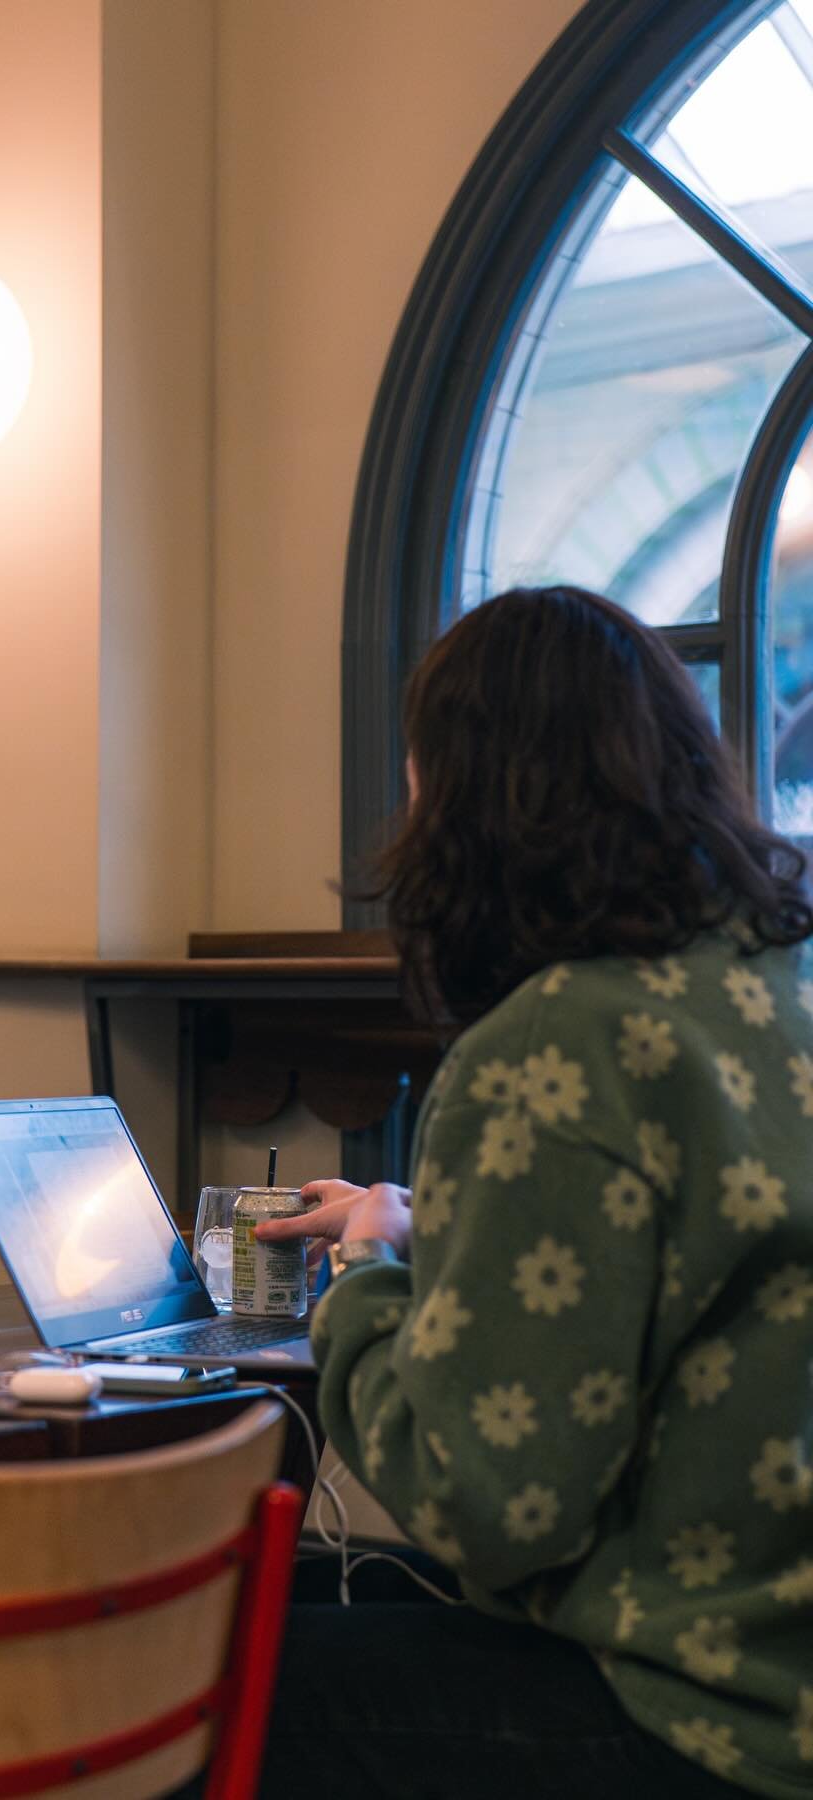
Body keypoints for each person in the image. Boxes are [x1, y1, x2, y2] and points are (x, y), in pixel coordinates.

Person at [256, 587, 813, 1799]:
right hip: (782, 1665)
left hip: (697, 1713)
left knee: (199, 1679)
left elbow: (482, 1502)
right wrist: (421, 1223)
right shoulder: (766, 995)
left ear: (469, 796)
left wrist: (361, 1280)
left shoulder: (553, 1051)